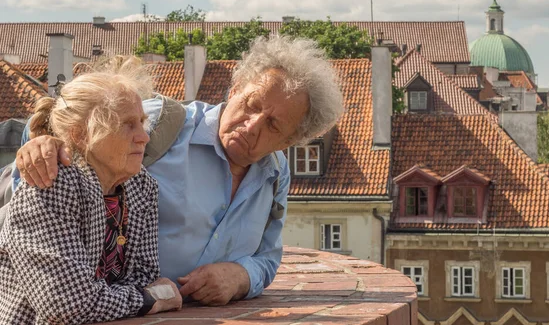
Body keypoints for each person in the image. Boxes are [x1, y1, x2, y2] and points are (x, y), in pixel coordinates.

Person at [12, 36, 344, 306]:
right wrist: (42, 143)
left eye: (272, 124)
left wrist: (241, 277)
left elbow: (267, 258)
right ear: (235, 88)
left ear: (292, 139)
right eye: (251, 104)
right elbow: (70, 120)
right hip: (95, 309)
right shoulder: (161, 124)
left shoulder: (276, 175)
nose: (251, 124)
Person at [0, 56, 183, 323]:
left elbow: (145, 276)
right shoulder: (51, 187)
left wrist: (114, 297)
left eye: (142, 122)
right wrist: (145, 300)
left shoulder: (141, 186)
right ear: (81, 135)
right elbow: (66, 307)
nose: (143, 136)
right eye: (127, 124)